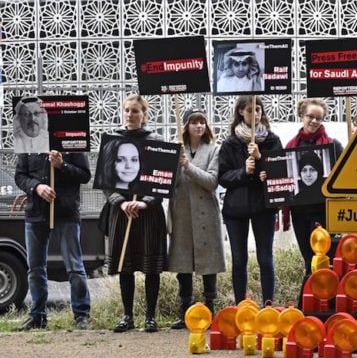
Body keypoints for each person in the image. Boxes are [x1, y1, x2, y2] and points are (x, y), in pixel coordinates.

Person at [106, 94, 167, 333]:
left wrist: (146, 202)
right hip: (122, 213)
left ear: (144, 114)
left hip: (148, 214)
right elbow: (105, 181)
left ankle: (150, 317)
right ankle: (127, 315)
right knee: (125, 264)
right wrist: (120, 202)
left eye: (135, 111)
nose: (130, 115)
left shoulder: (157, 141)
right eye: (127, 110)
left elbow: (164, 181)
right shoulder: (113, 142)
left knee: (151, 265)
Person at [14, 149, 92, 330]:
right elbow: (20, 176)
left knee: (74, 266)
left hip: (66, 212)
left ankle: (82, 315)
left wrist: (62, 165)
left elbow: (85, 175)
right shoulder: (30, 140)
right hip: (36, 213)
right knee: (35, 269)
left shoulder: (71, 139)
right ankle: (38, 315)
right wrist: (36, 187)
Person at [218, 96, 282, 305]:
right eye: (249, 110)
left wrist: (262, 159)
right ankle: (240, 305)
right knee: (239, 260)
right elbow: (223, 177)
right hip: (236, 209)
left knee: (265, 259)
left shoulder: (272, 140)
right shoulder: (230, 143)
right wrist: (244, 172)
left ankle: (268, 304)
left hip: (264, 207)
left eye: (258, 110)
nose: (254, 114)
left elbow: (281, 170)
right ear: (240, 113)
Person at [168, 109, 226, 328]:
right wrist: (175, 162)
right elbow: (168, 183)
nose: (199, 126)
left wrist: (188, 166)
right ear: (185, 126)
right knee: (183, 263)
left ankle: (210, 310)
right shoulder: (176, 150)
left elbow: (211, 181)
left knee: (208, 263)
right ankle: (185, 311)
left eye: (202, 122)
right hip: (182, 213)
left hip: (206, 214)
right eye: (194, 122)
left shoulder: (213, 150)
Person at [284, 98, 343, 276]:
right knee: (307, 259)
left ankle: (322, 296)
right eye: (311, 116)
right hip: (299, 212)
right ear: (302, 116)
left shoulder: (333, 145)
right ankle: (310, 295)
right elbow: (285, 177)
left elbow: (343, 175)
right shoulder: (290, 146)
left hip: (323, 211)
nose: (315, 121)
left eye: (319, 118)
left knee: (323, 258)